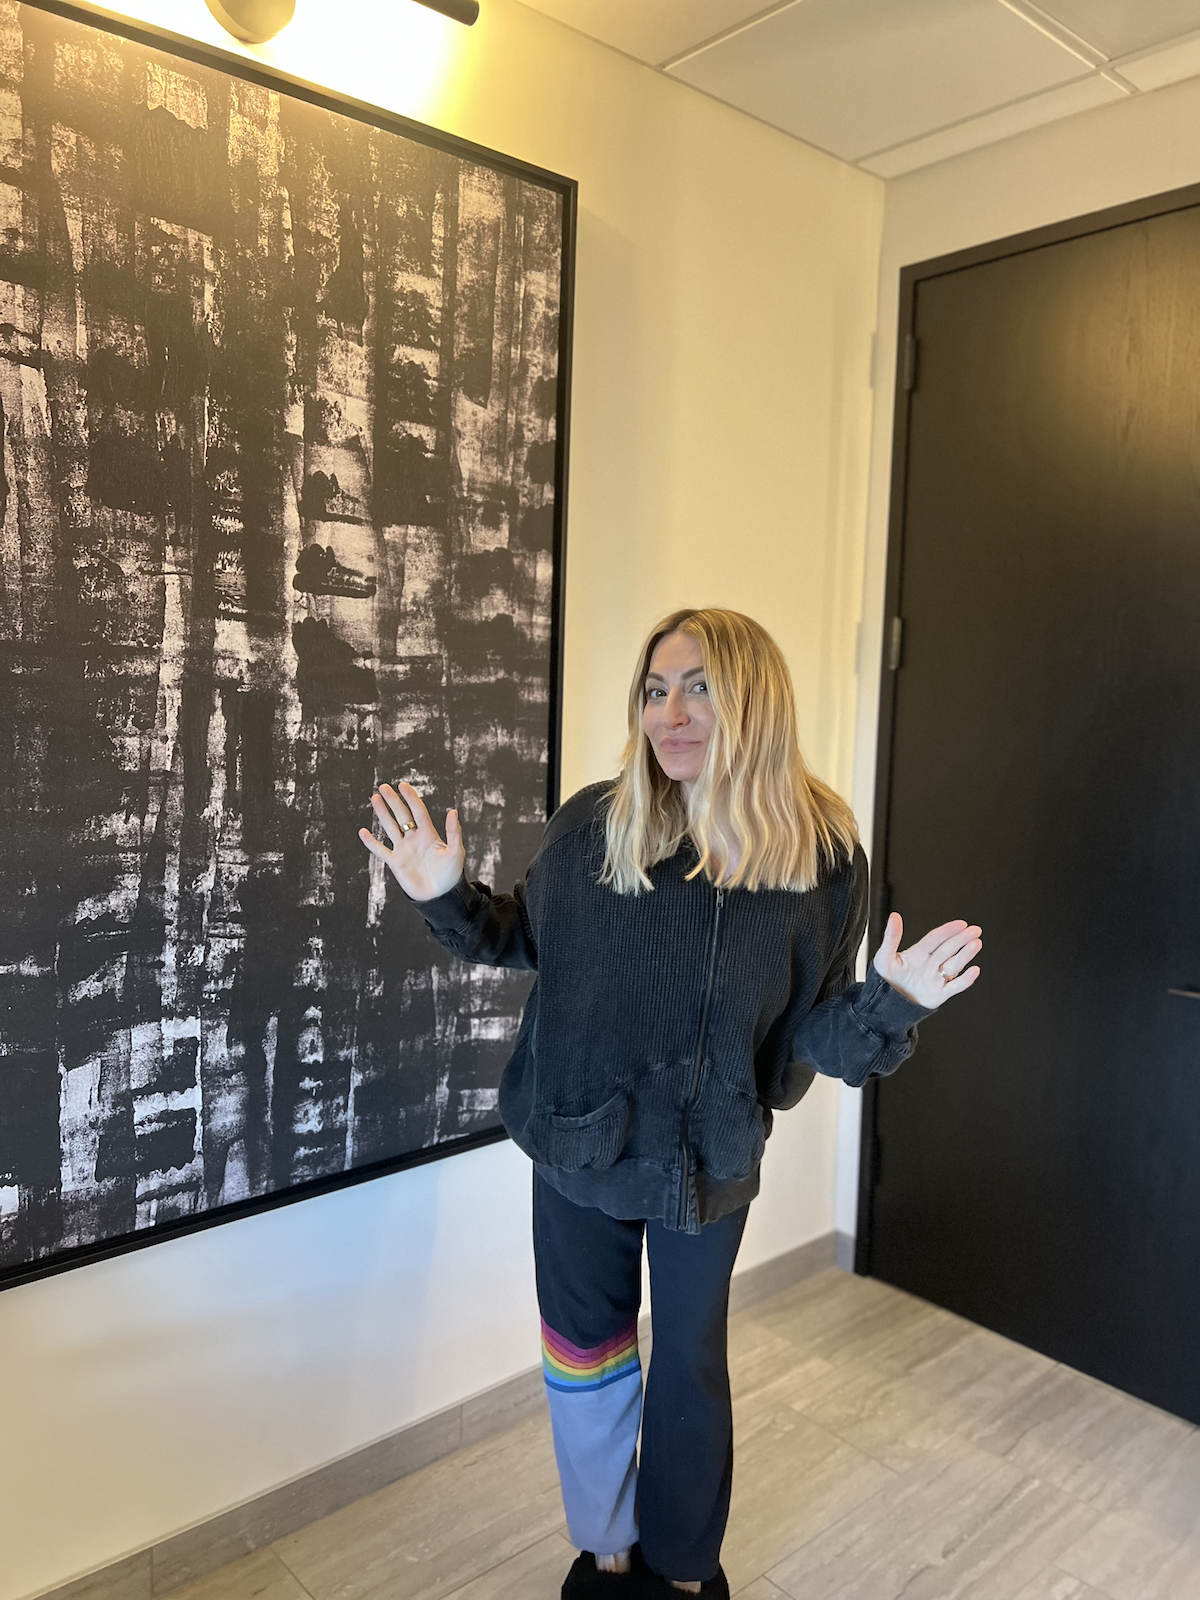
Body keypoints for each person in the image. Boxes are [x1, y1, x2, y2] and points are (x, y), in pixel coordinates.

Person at [358, 607, 981, 1600]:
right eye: (655, 688)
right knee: (587, 1357)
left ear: (753, 700)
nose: (670, 712)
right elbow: (520, 938)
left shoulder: (819, 859)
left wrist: (889, 1004)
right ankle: (606, 1550)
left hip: (709, 1159)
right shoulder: (594, 823)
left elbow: (806, 1036)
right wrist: (443, 892)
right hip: (577, 1144)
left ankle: (684, 1570)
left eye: (698, 686)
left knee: (688, 1370)